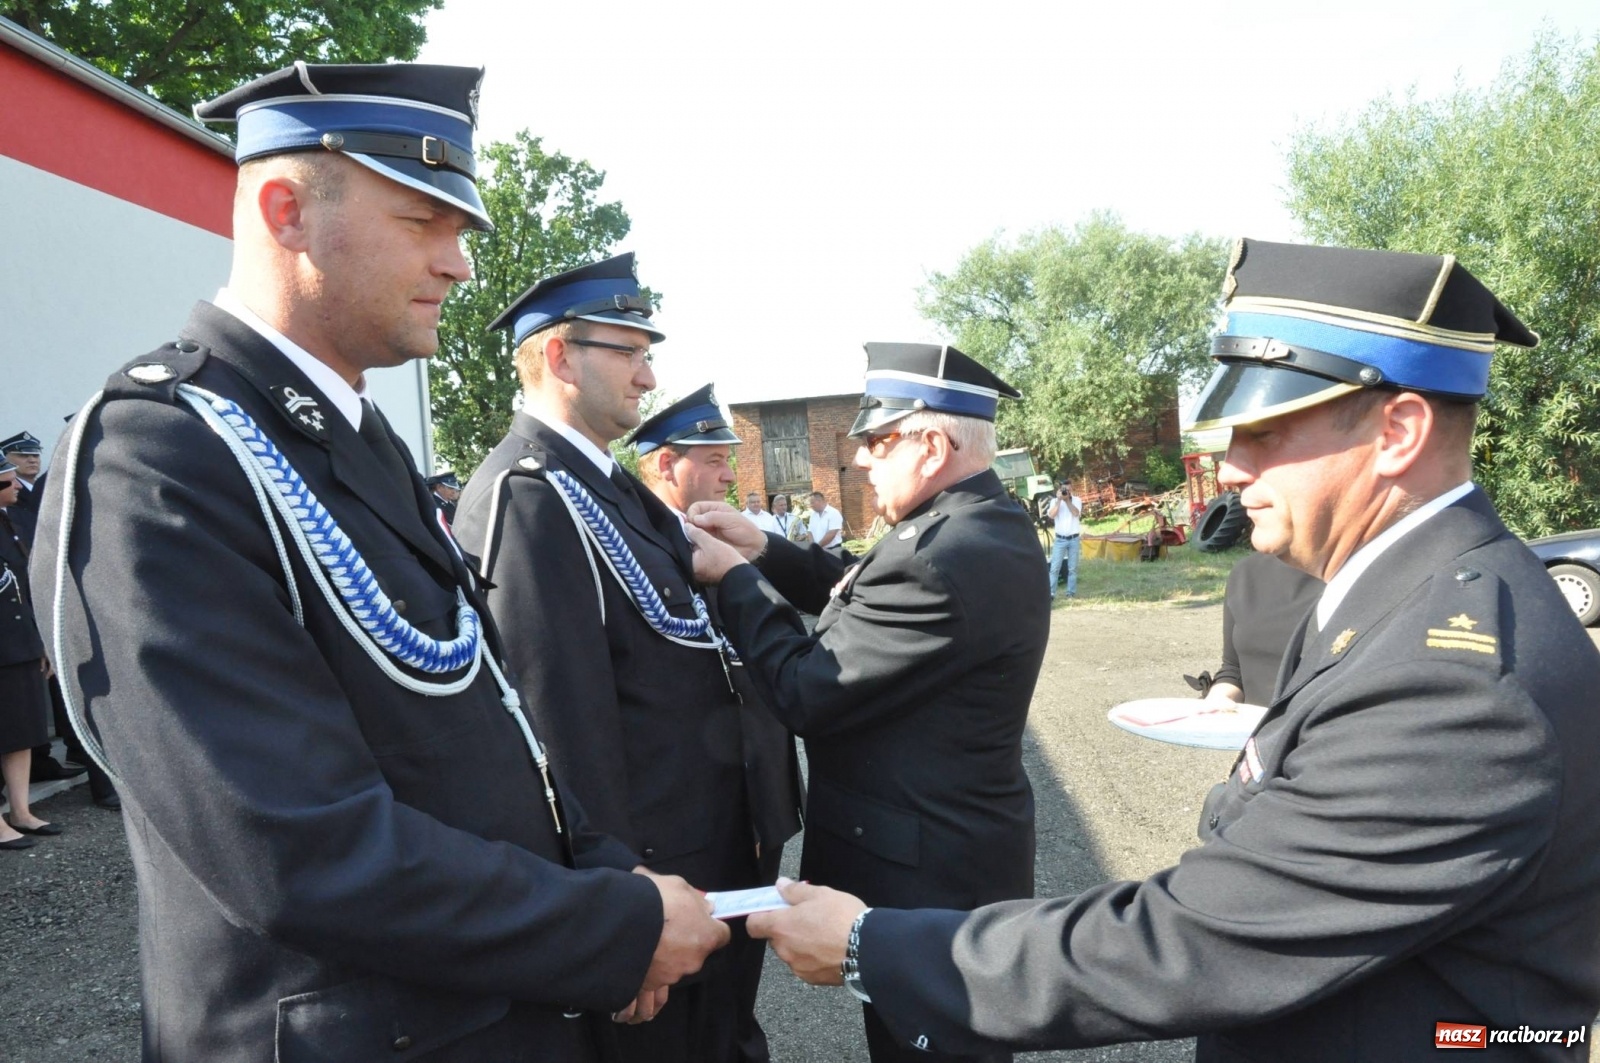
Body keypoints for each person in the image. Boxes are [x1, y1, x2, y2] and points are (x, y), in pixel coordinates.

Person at [741, 240, 1600, 1061]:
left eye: (1266, 430)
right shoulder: (1405, 597)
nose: (1229, 469)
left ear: (1399, 430)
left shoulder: (1455, 679)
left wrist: (870, 946)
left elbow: (1194, 940)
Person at [32, 63, 726, 1062]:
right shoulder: (156, 451)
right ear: (286, 211)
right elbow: (290, 846)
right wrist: (608, 932)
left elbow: (498, 719)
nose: (461, 266)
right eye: (423, 223)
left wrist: (609, 877)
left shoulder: (358, 436)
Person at [686, 341, 1051, 1063]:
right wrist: (767, 550)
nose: (859, 459)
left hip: (924, 881)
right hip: (953, 862)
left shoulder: (939, 554)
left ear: (933, 445)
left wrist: (734, 581)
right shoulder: (975, 524)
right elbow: (860, 585)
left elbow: (805, 688)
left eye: (879, 440)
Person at [452, 260, 769, 1063]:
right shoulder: (531, 496)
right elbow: (557, 731)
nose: (650, 373)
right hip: (650, 888)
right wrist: (617, 919)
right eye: (629, 351)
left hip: (705, 871)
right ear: (559, 357)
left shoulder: (606, 485)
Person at [632, 384, 806, 1063]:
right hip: (686, 819)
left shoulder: (725, 542)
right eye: (713, 460)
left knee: (738, 992)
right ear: (665, 463)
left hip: (756, 803)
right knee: (688, 1004)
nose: (730, 475)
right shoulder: (639, 549)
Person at [0, 458, 57, 849]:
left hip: (18, 641)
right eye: (8, 482)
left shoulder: (11, 522)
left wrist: (40, 642)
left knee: (20, 732)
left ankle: (20, 811)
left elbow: (26, 583)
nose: (17, 486)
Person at [1188, 550, 1324, 708]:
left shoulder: (1352, 582)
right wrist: (1218, 700)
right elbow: (1234, 668)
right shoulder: (1247, 572)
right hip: (1255, 729)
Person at [1045, 479, 1081, 598]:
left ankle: (1070, 593)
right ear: (1060, 490)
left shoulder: (1077, 500)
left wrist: (1068, 501)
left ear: (1072, 489)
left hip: (1074, 539)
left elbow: (1076, 513)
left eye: (1069, 490)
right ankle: (1051, 593)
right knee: (1055, 568)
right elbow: (1051, 515)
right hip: (1060, 539)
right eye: (1065, 490)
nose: (1068, 492)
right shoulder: (1055, 501)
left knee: (1072, 568)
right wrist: (1060, 501)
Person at [1, 431, 45, 517]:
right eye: (23, 456)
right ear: (6, 459)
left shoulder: (46, 485)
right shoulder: (7, 491)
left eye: (36, 455)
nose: (32, 460)